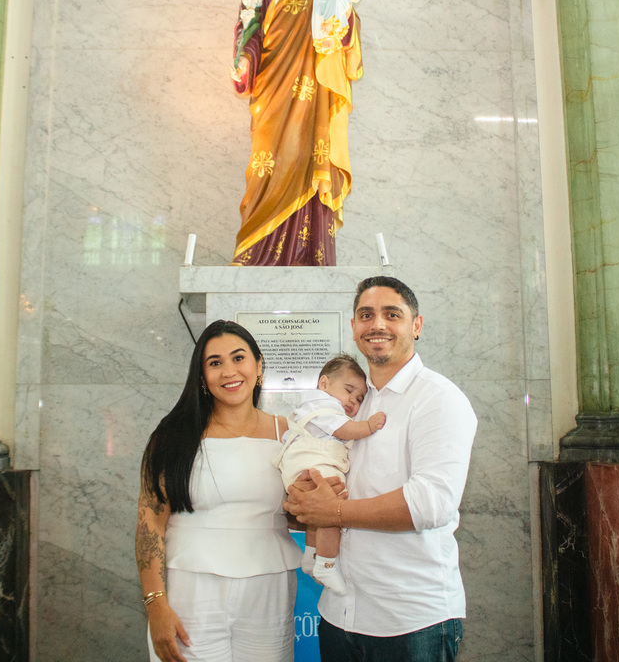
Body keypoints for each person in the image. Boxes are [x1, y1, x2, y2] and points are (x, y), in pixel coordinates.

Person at [284, 277, 478, 661]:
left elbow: (432, 503)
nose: (377, 324)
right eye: (366, 315)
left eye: (392, 314)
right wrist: (301, 500)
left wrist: (333, 511)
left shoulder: (438, 398)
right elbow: (325, 494)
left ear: (416, 325)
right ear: (354, 327)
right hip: (338, 613)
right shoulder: (350, 405)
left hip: (410, 620)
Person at [135, 320, 298, 662]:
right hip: (189, 590)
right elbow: (150, 521)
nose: (229, 371)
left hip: (268, 589)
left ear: (259, 365)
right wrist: (156, 604)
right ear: (202, 376)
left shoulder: (286, 432)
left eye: (238, 358)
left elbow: (301, 511)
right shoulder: (173, 435)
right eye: (215, 362)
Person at [229, 0, 363, 267]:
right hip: (272, 89)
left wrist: (343, 25)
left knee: (309, 165)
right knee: (266, 165)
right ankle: (256, 250)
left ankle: (308, 255)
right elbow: (249, 29)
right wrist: (244, 60)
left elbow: (347, 23)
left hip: (314, 90)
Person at [274, 353, 385, 596]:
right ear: (324, 384)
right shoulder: (323, 406)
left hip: (304, 468)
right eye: (348, 390)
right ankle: (326, 564)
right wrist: (368, 425)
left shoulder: (308, 407)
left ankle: (311, 555)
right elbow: (344, 430)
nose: (353, 401)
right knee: (331, 513)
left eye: (359, 398)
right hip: (315, 465)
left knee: (317, 516)